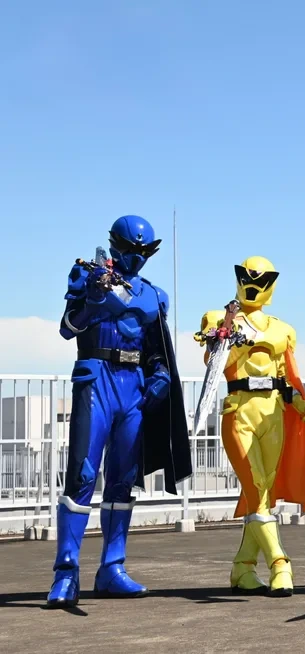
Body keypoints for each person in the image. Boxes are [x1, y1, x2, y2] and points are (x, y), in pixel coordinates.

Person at [47, 215, 191, 609]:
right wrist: (93, 296)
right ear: (114, 245)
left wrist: (160, 373)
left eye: (144, 252)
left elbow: (156, 346)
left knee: (123, 479)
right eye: (130, 250)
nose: (136, 258)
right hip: (97, 378)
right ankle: (66, 572)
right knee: (82, 474)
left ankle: (112, 567)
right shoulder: (87, 275)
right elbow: (67, 327)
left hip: (134, 387)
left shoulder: (153, 294)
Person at [196, 256, 305, 596]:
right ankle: (280, 564)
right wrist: (224, 334)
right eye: (247, 278)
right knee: (257, 488)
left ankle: (242, 568)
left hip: (273, 415)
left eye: (261, 280)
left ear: (272, 284)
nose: (253, 285)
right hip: (238, 412)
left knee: (264, 494)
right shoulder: (218, 319)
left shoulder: (283, 330)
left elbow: (287, 381)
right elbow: (213, 361)